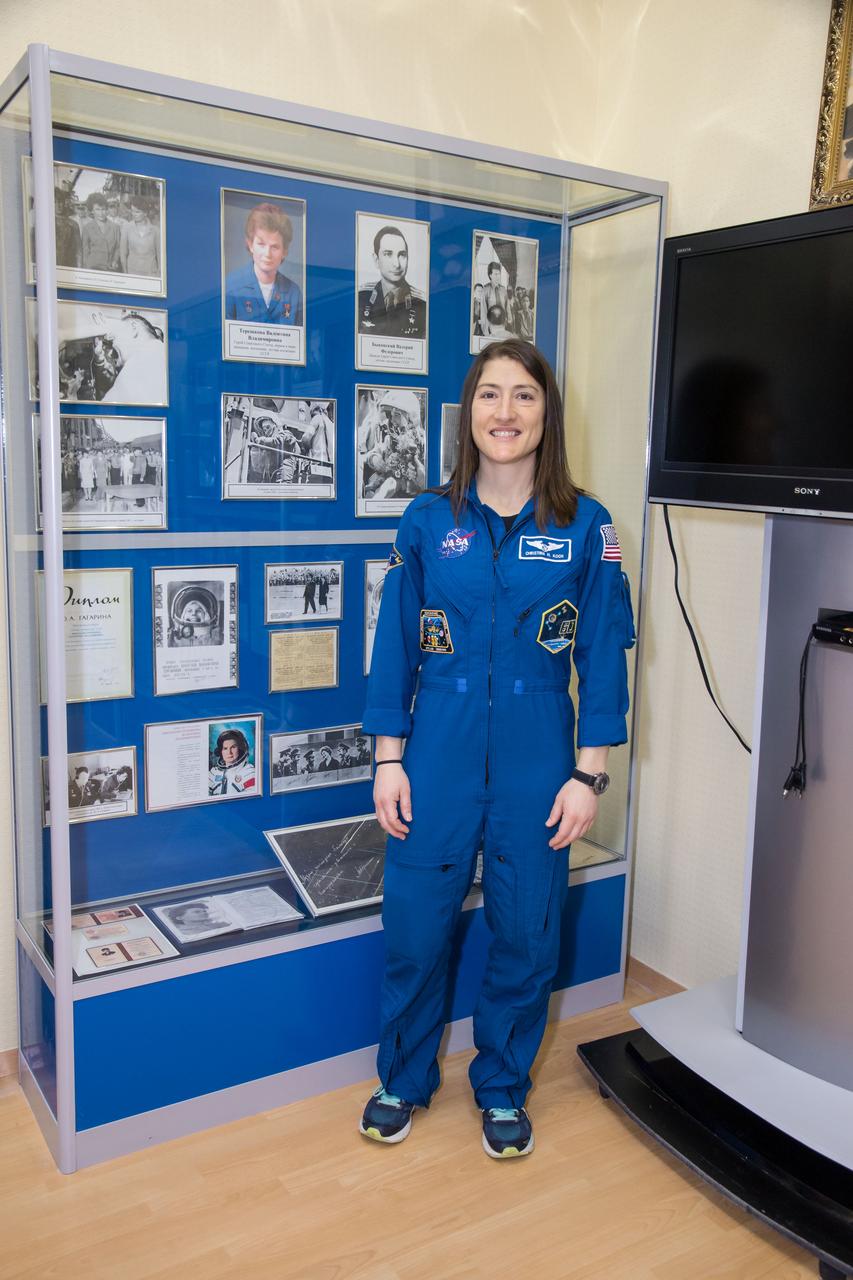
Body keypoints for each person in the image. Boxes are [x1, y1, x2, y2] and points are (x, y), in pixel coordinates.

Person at [359, 338, 635, 1159]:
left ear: (546, 413)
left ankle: (503, 1087)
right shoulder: (424, 519)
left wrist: (590, 775)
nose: (504, 413)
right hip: (436, 748)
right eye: (488, 395)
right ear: (467, 412)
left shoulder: (587, 526)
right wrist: (386, 758)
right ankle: (402, 1079)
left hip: (537, 755)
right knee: (414, 928)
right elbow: (390, 649)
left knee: (525, 933)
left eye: (522, 396)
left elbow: (605, 659)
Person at [224, 202, 303, 326]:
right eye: (261, 244)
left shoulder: (293, 292)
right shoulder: (231, 285)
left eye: (275, 247)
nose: (267, 254)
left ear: (284, 251)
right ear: (250, 245)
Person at [358, 224, 426, 339]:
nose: (396, 264)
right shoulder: (360, 297)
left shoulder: (422, 303)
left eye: (402, 255)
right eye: (388, 254)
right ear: (376, 260)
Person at [119, 197, 159, 277]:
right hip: (132, 272)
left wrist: (159, 273)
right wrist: (125, 273)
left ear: (145, 213)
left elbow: (160, 254)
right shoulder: (127, 227)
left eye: (137, 212)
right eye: (132, 211)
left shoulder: (155, 230)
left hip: (151, 273)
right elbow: (123, 253)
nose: (134, 214)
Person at [208, 729, 255, 796]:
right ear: (221, 751)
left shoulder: (248, 772)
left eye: (233, 747)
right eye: (225, 748)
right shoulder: (213, 773)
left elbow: (250, 801)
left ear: (240, 749)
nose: (229, 752)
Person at [80, 194, 119, 272]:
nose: (101, 213)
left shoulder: (115, 227)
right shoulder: (87, 228)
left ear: (107, 210)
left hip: (110, 268)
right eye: (97, 209)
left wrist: (115, 261)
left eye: (103, 209)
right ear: (92, 210)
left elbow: (118, 248)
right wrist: (86, 268)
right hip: (92, 268)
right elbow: (85, 251)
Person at [480, 261, 509, 337]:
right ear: (490, 275)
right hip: (491, 329)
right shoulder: (485, 290)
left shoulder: (503, 290)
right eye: (495, 274)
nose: (498, 276)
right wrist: (486, 333)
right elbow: (483, 312)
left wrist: (508, 325)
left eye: (499, 274)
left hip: (503, 328)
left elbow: (507, 308)